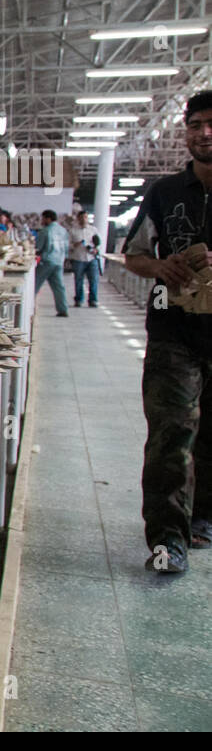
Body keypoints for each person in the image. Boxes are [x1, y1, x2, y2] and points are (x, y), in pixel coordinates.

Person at [122, 89, 212, 574]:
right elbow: (132, 255)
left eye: (211, 123)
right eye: (196, 124)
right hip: (173, 334)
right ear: (186, 132)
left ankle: (204, 517)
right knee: (171, 435)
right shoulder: (163, 193)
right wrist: (162, 268)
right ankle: (167, 539)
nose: (205, 132)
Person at [34, 209, 70, 317]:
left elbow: (38, 248)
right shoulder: (63, 230)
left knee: (34, 284)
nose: (42, 220)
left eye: (43, 218)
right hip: (59, 261)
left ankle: (29, 308)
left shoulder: (45, 231)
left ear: (48, 219)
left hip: (47, 261)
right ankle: (63, 309)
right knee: (59, 287)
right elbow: (66, 247)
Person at [67, 211, 101, 306]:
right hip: (78, 258)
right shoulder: (73, 231)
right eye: (81, 217)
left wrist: (96, 249)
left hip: (91, 258)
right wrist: (75, 244)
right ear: (78, 218)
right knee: (78, 280)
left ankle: (93, 300)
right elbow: (68, 245)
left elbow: (99, 243)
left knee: (93, 280)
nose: (84, 219)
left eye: (85, 217)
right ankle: (79, 300)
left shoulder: (93, 230)